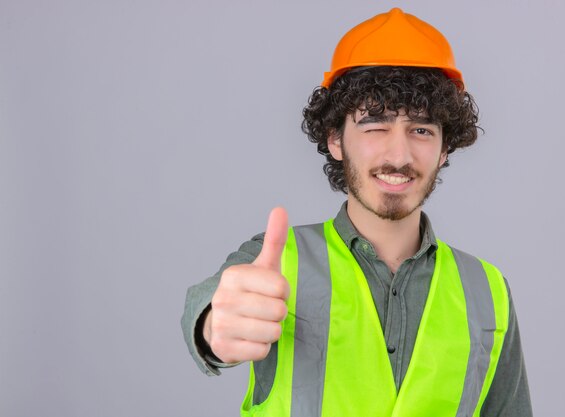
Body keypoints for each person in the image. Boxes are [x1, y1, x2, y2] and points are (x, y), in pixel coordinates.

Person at [182, 7, 532, 417]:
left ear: (444, 149)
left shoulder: (487, 291)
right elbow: (211, 308)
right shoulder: (277, 262)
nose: (399, 154)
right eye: (374, 125)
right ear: (335, 139)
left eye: (421, 130)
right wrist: (214, 331)